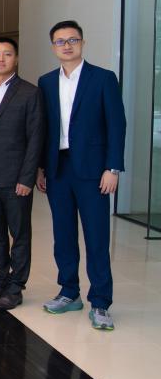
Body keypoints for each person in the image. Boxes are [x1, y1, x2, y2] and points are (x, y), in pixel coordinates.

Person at [37, 20, 126, 331]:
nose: (67, 45)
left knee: (96, 236)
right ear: (53, 47)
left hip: (93, 170)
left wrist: (112, 168)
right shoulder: (46, 82)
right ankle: (69, 292)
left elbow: (117, 125)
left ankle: (100, 301)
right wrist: (42, 168)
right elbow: (45, 129)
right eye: (60, 41)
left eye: (72, 40)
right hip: (58, 168)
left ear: (82, 43)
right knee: (63, 235)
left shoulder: (103, 78)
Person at [0, 37, 44, 311]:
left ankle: (16, 287)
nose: (1, 59)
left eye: (7, 54)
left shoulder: (30, 93)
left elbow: (35, 138)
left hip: (16, 180)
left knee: (20, 234)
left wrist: (27, 178)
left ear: (16, 58)